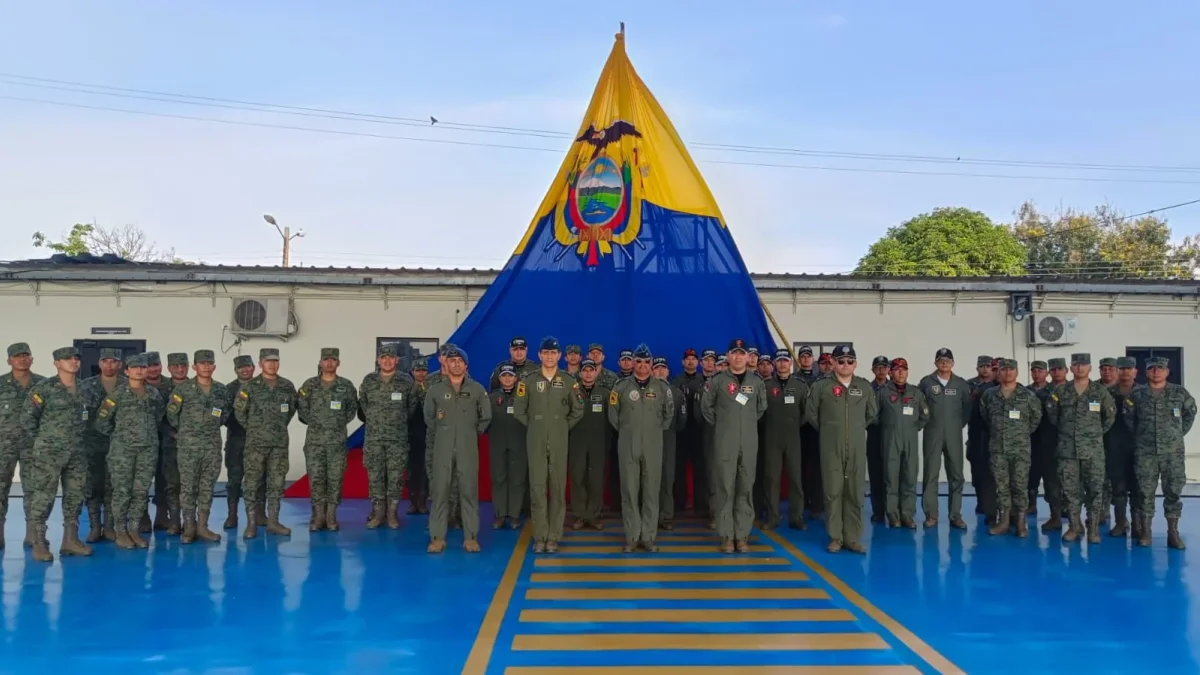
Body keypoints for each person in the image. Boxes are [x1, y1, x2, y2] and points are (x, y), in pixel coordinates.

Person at [514, 337, 584, 553]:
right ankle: (540, 536)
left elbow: (578, 409)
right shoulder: (528, 381)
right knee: (537, 489)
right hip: (535, 440)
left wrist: (562, 426)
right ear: (540, 355)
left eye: (554, 353)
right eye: (546, 353)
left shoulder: (568, 381)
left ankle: (553, 537)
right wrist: (536, 425)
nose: (550, 356)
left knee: (557, 489)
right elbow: (519, 411)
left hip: (559, 441)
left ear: (559, 356)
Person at [805, 345, 878, 553]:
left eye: (849, 361)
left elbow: (871, 414)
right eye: (840, 361)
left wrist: (854, 429)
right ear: (834, 363)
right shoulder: (821, 386)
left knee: (854, 491)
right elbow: (812, 414)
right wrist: (830, 430)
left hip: (856, 446)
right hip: (830, 446)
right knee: (832, 491)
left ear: (855, 364)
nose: (845, 365)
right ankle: (835, 537)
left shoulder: (864, 387)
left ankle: (852, 537)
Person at [20, 346, 90, 562]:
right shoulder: (44, 388)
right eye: (67, 359)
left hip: (77, 451)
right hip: (49, 453)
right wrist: (44, 443)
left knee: (75, 495)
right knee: (43, 496)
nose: (73, 362)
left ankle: (70, 540)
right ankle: (39, 542)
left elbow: (91, 417)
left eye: (76, 358)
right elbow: (28, 420)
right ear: (57, 363)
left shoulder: (85, 389)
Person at [701, 339, 768, 554]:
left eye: (742, 353)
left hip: (749, 443)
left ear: (748, 357)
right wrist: (725, 425)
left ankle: (742, 536)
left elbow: (760, 409)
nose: (738, 357)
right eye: (734, 353)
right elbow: (707, 408)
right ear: (728, 356)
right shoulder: (717, 381)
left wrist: (743, 425)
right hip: (724, 443)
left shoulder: (756, 382)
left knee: (745, 489)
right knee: (725, 489)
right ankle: (727, 537)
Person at [1124, 356, 1196, 549]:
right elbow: (1129, 419)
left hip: (1172, 453)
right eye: (1152, 368)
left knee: (1173, 491)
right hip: (1145, 452)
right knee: (1144, 492)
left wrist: (1177, 434)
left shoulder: (1179, 392)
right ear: (1147, 372)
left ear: (1166, 371)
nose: (1156, 371)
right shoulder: (1137, 394)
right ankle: (1146, 532)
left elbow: (1190, 414)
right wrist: (1142, 436)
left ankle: (1173, 533)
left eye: (1160, 368)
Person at [95, 353, 165, 550]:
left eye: (143, 367)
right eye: (135, 368)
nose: (139, 371)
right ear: (127, 371)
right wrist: (120, 436)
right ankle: (120, 531)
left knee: (141, 491)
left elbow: (159, 416)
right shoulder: (117, 394)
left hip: (147, 450)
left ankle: (134, 529)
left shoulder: (153, 394)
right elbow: (101, 422)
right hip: (122, 453)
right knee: (122, 491)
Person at [424, 346, 490, 553]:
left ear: (466, 365)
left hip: (467, 447)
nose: (456, 364)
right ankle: (437, 537)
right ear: (446, 364)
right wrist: (445, 431)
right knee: (440, 492)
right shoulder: (435, 390)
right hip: (442, 447)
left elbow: (486, 417)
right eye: (452, 361)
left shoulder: (477, 389)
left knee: (469, 492)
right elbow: (429, 417)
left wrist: (468, 433)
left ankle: (470, 536)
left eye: (460, 361)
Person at [1043, 353, 1115, 544]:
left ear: (1090, 368)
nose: (1080, 368)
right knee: (1070, 491)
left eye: (1084, 364)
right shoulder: (1061, 391)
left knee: (1094, 491)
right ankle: (1075, 527)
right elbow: (1053, 415)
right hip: (1068, 452)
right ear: (1071, 368)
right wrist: (1067, 432)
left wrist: (1093, 434)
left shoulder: (1100, 392)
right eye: (1076, 365)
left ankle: (1092, 530)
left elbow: (1109, 418)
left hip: (1093, 452)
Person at [608, 345, 673, 552]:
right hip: (628, 444)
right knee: (629, 491)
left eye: (646, 362)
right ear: (633, 363)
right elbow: (613, 415)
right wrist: (629, 431)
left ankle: (648, 537)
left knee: (651, 491)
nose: (643, 366)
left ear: (651, 363)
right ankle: (632, 536)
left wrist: (651, 431)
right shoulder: (620, 387)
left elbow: (667, 416)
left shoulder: (662, 388)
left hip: (653, 444)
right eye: (639, 361)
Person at [165, 349, 231, 543]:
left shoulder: (221, 390)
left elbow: (225, 414)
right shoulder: (183, 389)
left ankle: (202, 526)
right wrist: (187, 431)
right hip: (188, 447)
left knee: (206, 487)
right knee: (187, 487)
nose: (206, 366)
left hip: (211, 445)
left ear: (215, 366)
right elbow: (172, 414)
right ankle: (189, 527)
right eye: (202, 363)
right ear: (194, 367)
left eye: (210, 363)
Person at [233, 348, 297, 539]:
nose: (272, 364)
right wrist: (255, 428)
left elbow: (291, 409)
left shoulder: (287, 386)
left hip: (278, 444)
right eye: (268, 361)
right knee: (252, 483)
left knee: (276, 483)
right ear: (260, 364)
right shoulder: (250, 387)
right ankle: (252, 523)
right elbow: (239, 412)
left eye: (275, 361)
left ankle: (273, 521)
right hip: (255, 444)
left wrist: (277, 427)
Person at [297, 348, 359, 531]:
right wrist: (319, 423)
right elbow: (302, 409)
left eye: (333, 360)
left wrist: (335, 423)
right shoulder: (309, 385)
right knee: (316, 478)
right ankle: (318, 516)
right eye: (326, 360)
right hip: (314, 442)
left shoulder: (346, 386)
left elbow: (351, 411)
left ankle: (331, 516)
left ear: (338, 363)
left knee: (335, 479)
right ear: (320, 363)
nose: (329, 363)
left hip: (337, 442)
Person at [979, 359, 1042, 537]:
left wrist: (1019, 434)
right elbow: (986, 417)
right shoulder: (990, 395)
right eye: (1004, 369)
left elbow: (1035, 420)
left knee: (1020, 486)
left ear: (1017, 372)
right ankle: (1004, 521)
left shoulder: (1027, 395)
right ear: (998, 372)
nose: (1007, 373)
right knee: (1002, 487)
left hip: (1020, 449)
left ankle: (1021, 523)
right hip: (998, 448)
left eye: (1011, 369)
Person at [358, 345, 417, 529]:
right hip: (374, 439)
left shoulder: (406, 381)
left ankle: (392, 515)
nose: (387, 361)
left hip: (397, 440)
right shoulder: (369, 381)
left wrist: (395, 422)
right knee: (375, 477)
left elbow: (411, 407)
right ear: (378, 360)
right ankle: (378, 514)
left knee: (395, 478)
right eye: (384, 357)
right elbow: (364, 406)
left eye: (391, 357)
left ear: (397, 360)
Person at [918, 348, 972, 529]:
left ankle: (955, 515)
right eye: (940, 360)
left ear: (953, 363)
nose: (944, 363)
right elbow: (919, 405)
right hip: (932, 434)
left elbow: (967, 409)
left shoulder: (961, 384)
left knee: (956, 475)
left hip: (953, 435)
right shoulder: (926, 382)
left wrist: (957, 425)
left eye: (948, 360)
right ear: (935, 363)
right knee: (931, 474)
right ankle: (931, 515)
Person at [1, 342, 45, 550]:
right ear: (9, 360)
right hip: (3, 446)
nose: (22, 359)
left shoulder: (43, 385)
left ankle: (33, 534)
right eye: (17, 356)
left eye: (26, 355)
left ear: (32, 358)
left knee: (35, 490)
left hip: (33, 446)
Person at [876, 358, 928, 528]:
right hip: (890, 440)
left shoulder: (916, 393)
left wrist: (913, 429)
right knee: (891, 479)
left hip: (910, 441)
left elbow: (924, 416)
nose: (900, 372)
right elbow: (873, 416)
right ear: (890, 373)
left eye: (904, 369)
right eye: (897, 369)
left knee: (910, 477)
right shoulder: (882, 392)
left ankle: (907, 515)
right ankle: (893, 515)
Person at [760, 348, 808, 530]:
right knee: (772, 478)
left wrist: (794, 425)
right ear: (774, 364)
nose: (782, 363)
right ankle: (773, 517)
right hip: (772, 438)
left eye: (785, 360)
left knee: (796, 478)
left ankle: (796, 517)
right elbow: (760, 412)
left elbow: (806, 412)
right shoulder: (765, 386)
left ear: (791, 363)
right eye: (779, 360)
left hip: (793, 437)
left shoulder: (800, 386)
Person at [80, 347, 122, 543]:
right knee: (93, 487)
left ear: (120, 364)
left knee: (114, 486)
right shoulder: (86, 386)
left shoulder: (128, 385)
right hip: (92, 445)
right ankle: (95, 526)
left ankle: (110, 527)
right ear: (99, 363)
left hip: (119, 445)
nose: (109, 365)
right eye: (105, 361)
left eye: (113, 361)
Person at [568, 359, 610, 531]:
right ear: (580, 372)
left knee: (596, 479)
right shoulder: (571, 391)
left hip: (598, 442)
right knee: (577, 477)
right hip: (576, 442)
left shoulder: (606, 393)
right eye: (584, 370)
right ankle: (579, 515)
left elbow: (612, 420)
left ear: (596, 372)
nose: (587, 373)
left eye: (591, 370)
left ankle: (593, 515)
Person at [488, 362, 527, 530]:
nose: (507, 379)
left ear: (516, 378)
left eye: (510, 376)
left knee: (517, 478)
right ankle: (500, 514)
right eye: (504, 376)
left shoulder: (523, 396)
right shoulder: (491, 397)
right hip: (497, 441)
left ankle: (515, 515)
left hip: (519, 441)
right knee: (499, 477)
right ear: (499, 378)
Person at [223, 354, 259, 530]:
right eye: (240, 367)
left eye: (248, 366)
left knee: (260, 479)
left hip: (259, 441)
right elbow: (224, 416)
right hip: (237, 440)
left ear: (254, 367)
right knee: (234, 480)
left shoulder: (261, 387)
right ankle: (232, 515)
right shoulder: (228, 390)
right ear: (236, 370)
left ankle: (260, 514)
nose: (245, 370)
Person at [670, 348, 704, 523]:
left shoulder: (704, 381)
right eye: (687, 359)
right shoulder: (675, 382)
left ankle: (701, 506)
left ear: (698, 363)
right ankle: (679, 504)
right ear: (683, 362)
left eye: (693, 359)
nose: (690, 361)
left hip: (699, 432)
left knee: (701, 470)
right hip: (680, 432)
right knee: (678, 470)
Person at [1107, 357, 1139, 538]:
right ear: (1116, 371)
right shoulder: (1107, 393)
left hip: (1138, 448)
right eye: (1122, 368)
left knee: (1137, 488)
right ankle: (1120, 522)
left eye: (1129, 368)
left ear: (1135, 371)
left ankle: (1137, 524)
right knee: (1117, 488)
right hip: (1115, 447)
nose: (1125, 372)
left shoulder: (1143, 392)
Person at [655, 356, 687, 531]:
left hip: (669, 438)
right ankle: (650, 515)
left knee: (667, 477)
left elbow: (682, 419)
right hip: (649, 439)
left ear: (668, 371)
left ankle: (666, 515)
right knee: (649, 478)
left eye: (663, 368)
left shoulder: (676, 393)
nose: (660, 371)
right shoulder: (645, 391)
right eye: (657, 368)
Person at [867, 355, 890, 523]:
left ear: (889, 369)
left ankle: (893, 510)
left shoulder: (895, 388)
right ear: (873, 370)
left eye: (884, 367)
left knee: (892, 474)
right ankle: (878, 511)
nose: (881, 370)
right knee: (876, 474)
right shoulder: (867, 388)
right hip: (874, 434)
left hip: (892, 435)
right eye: (878, 367)